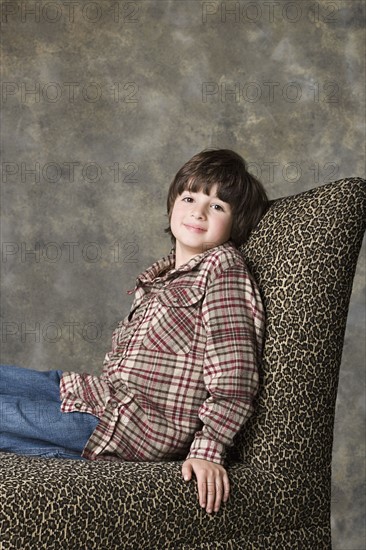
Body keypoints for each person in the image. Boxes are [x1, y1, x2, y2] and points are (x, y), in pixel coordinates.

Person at [0, 149, 268, 514]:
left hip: (131, 427)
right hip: (102, 399)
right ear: (173, 204)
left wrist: (210, 449)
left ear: (235, 225)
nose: (199, 211)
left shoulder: (223, 267)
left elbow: (235, 371)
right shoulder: (158, 278)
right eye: (190, 197)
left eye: (218, 206)